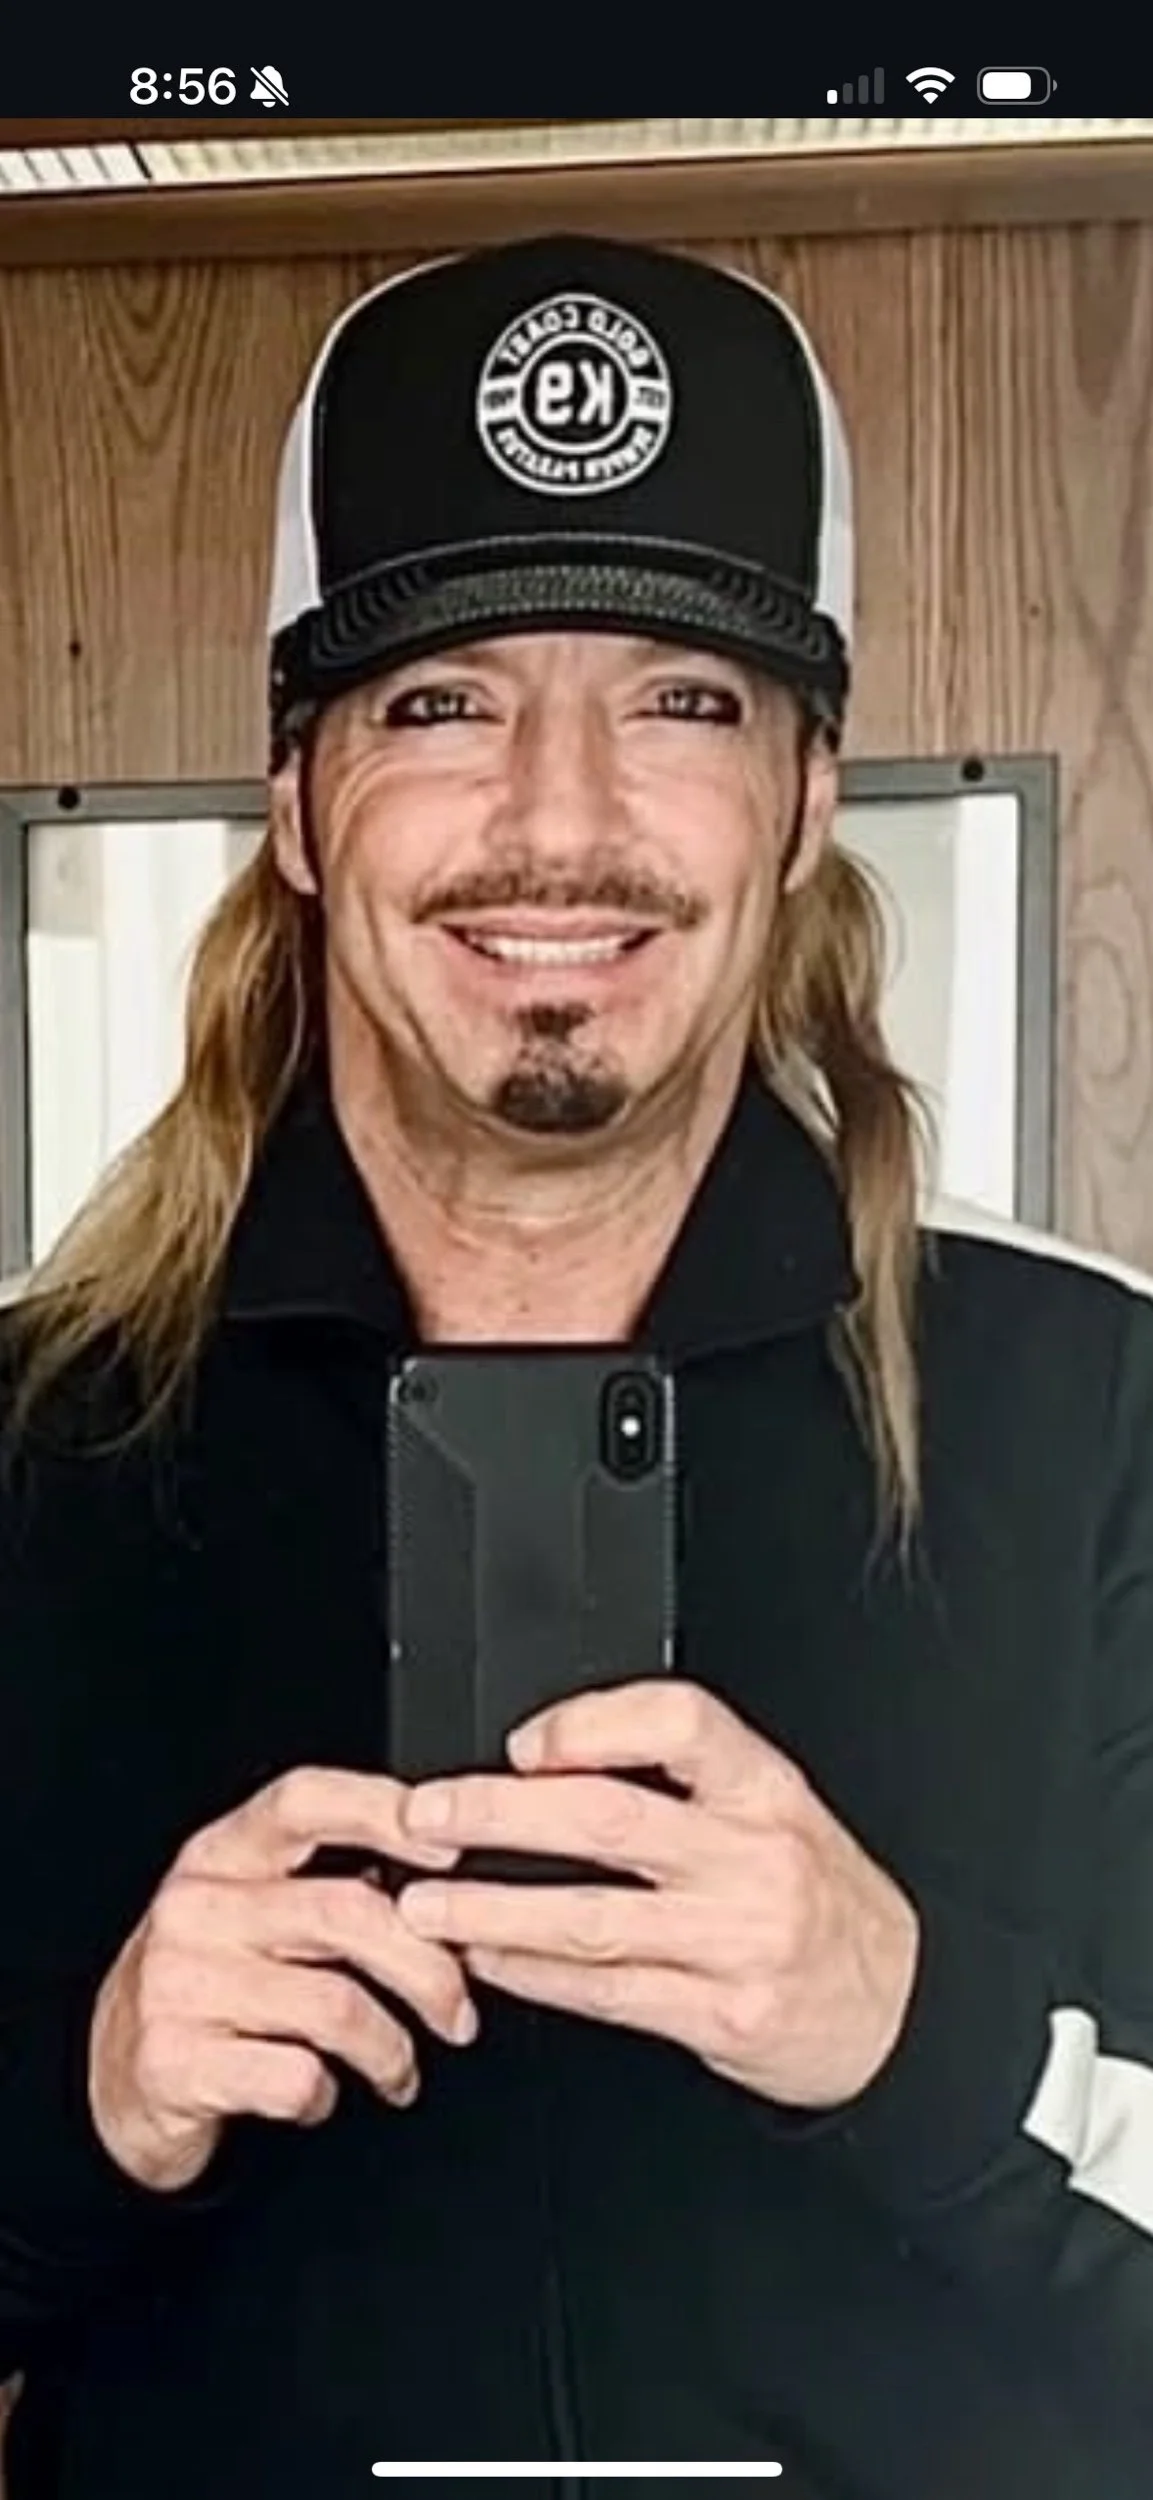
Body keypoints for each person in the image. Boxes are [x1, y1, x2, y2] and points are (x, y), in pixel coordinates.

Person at [0, 232, 1151, 2500]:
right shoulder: (34, 1453)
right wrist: (91, 2103)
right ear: (298, 803)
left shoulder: (1100, 1421)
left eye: (682, 698)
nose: (558, 817)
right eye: (441, 701)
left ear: (805, 799)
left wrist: (922, 2041)